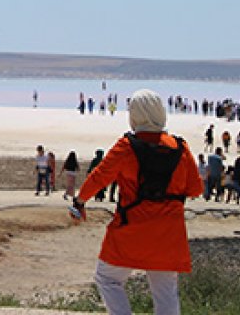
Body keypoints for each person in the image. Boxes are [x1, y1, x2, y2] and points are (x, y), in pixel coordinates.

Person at [73, 89, 202, 315]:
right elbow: (196, 189)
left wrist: (80, 201)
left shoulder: (127, 146)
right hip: (169, 233)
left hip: (131, 229)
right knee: (165, 291)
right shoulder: (180, 148)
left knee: (108, 278)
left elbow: (99, 177)